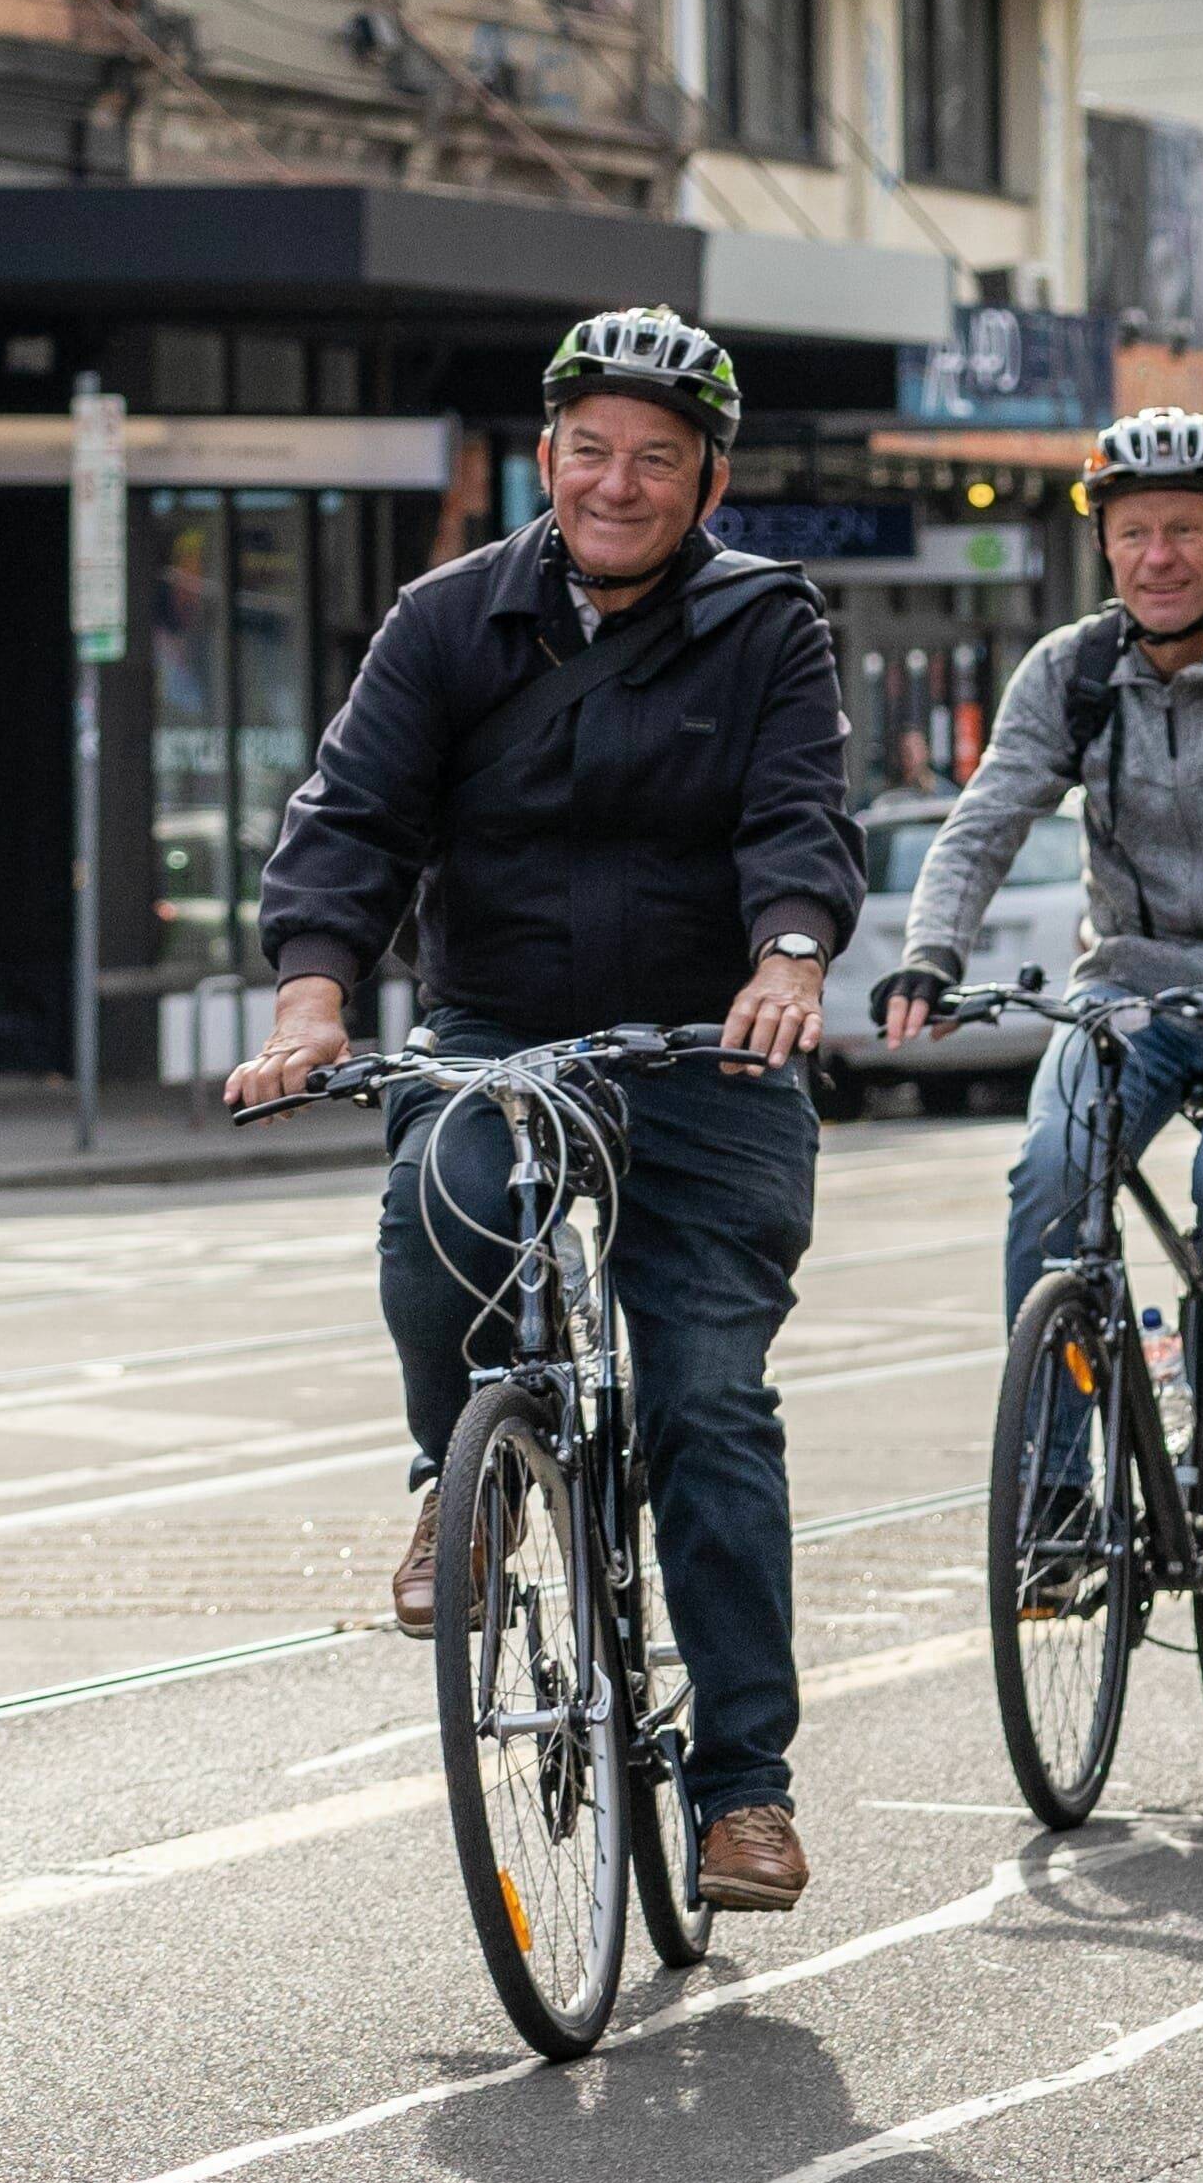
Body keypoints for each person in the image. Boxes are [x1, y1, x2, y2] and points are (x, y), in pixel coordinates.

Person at [226, 307, 855, 1916]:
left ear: (708, 480)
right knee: (438, 1197)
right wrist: (312, 995)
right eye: (590, 451)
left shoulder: (769, 627)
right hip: (499, 1028)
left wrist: (789, 958)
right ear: (546, 458)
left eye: (655, 457)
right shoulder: (446, 619)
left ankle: (744, 1792)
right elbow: (350, 815)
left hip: (705, 1047)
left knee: (709, 1402)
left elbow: (801, 815)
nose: (617, 483)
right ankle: (461, 1469)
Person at [868, 402, 1203, 1570]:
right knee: (1050, 1179)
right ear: (1101, 545)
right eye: (1132, 534)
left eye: (1183, 530)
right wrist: (928, 953)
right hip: (1131, 995)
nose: (1157, 557)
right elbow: (981, 823)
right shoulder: (1071, 673)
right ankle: (1061, 1491)